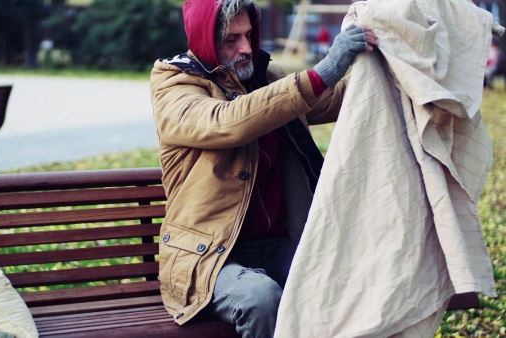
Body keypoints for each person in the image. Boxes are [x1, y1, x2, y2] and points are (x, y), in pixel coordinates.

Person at [150, 0, 378, 336]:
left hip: (275, 245)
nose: (245, 47)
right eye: (231, 40)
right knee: (260, 296)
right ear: (204, 41)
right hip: (208, 258)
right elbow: (228, 121)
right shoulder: (174, 86)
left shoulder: (265, 77)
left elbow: (330, 99)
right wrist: (322, 71)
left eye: (248, 35)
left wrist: (381, 65)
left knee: (347, 274)